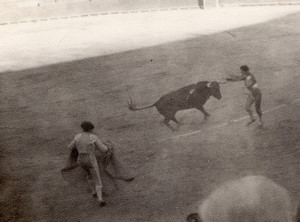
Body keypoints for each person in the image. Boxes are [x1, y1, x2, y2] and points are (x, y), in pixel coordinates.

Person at [67, 121, 110, 207]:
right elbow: (104, 149)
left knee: (88, 174)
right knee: (97, 179)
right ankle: (100, 199)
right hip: (90, 159)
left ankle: (93, 191)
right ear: (91, 128)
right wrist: (108, 146)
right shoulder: (93, 137)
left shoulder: (78, 136)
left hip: (80, 160)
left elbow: (70, 147)